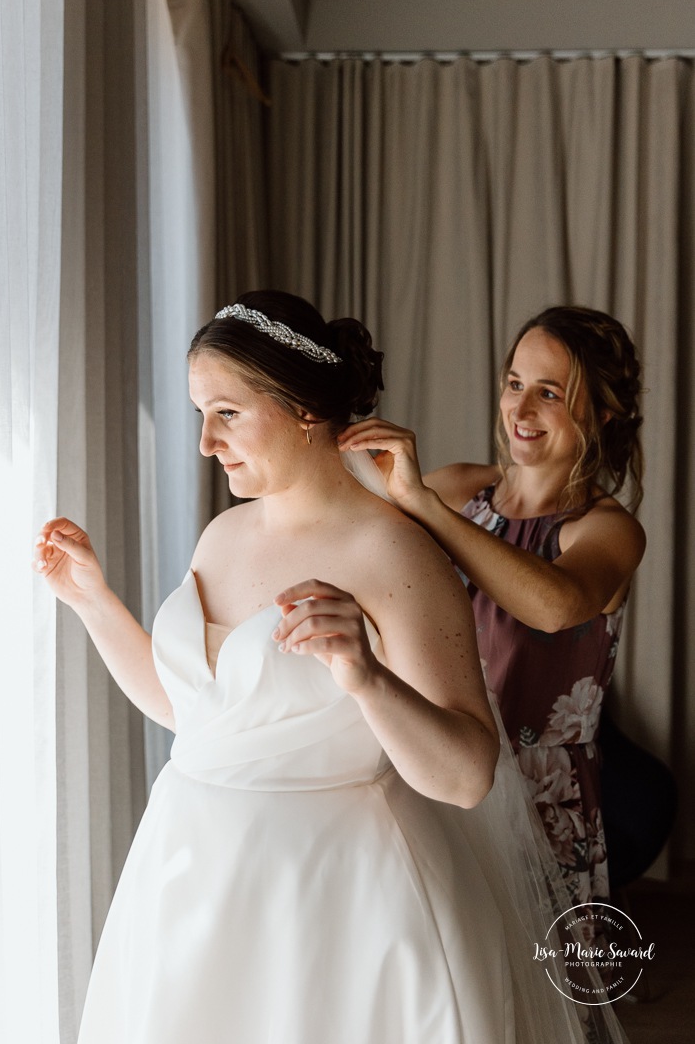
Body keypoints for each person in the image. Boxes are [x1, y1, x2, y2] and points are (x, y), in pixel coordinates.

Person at [34, 293, 628, 1044]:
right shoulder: (220, 535)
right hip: (186, 879)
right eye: (199, 415)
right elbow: (202, 724)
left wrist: (366, 678)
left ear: (304, 410)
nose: (206, 443)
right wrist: (92, 602)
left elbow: (466, 776)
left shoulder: (390, 553)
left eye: (227, 414)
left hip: (336, 900)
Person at [338, 305, 646, 910]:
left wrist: (425, 508)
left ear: (603, 411)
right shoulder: (457, 489)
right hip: (436, 761)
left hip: (541, 796)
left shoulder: (607, 531)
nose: (521, 411)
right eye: (514, 385)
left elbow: (554, 606)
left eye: (549, 393)